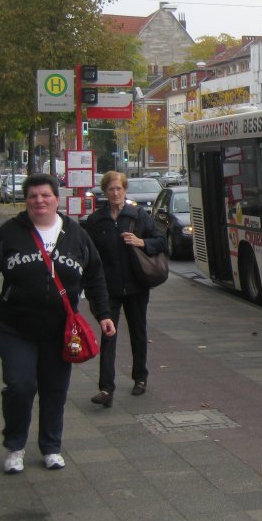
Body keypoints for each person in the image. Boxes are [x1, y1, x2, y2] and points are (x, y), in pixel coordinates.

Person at [0, 173, 116, 474]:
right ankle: (15, 446)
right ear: (26, 200)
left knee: (55, 390)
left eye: (45, 195)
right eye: (33, 196)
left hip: (60, 331)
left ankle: (51, 447)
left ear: (56, 199)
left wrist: (104, 314)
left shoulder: (76, 235)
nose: (39, 201)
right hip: (17, 328)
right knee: (20, 385)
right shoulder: (10, 233)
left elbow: (95, 276)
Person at [84, 171, 166, 407]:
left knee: (138, 332)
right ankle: (106, 389)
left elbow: (160, 242)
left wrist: (142, 242)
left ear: (125, 190)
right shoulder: (96, 221)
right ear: (105, 192)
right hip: (108, 288)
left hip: (136, 285)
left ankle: (140, 377)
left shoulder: (138, 216)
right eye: (111, 189)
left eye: (119, 188)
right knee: (108, 334)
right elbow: (88, 254)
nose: (116, 193)